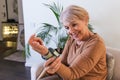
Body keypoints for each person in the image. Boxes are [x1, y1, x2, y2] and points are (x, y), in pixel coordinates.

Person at [29, 5, 107, 80]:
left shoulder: (96, 44)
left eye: (74, 24)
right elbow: (62, 62)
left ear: (86, 21)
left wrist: (45, 52)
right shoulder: (72, 39)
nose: (71, 31)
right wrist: (44, 52)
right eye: (67, 27)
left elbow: (73, 75)